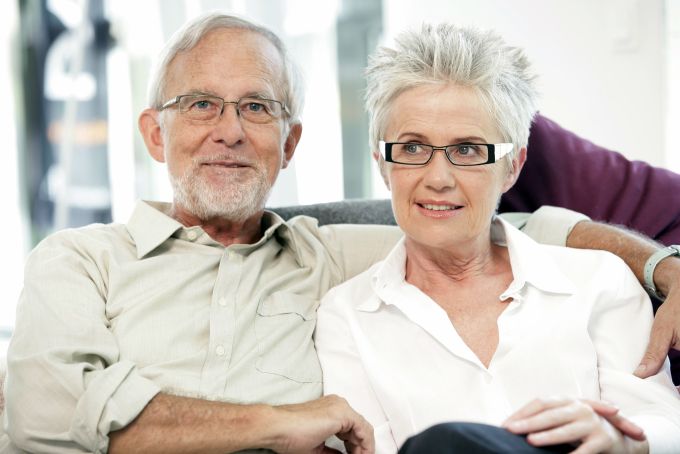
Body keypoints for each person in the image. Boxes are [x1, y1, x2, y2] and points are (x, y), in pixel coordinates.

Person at [0, 11, 678, 454]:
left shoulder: (327, 254)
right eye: (201, 104)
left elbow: (510, 227)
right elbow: (44, 416)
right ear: (155, 132)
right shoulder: (80, 260)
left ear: (289, 142)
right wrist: (276, 423)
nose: (229, 131)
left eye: (257, 107)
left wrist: (664, 267)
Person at [315, 23, 680, 454]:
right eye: (412, 148)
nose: (438, 178)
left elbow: (663, 421)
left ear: (512, 167)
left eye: (467, 150)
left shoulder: (599, 279)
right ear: (382, 163)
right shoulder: (345, 315)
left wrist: (621, 438)